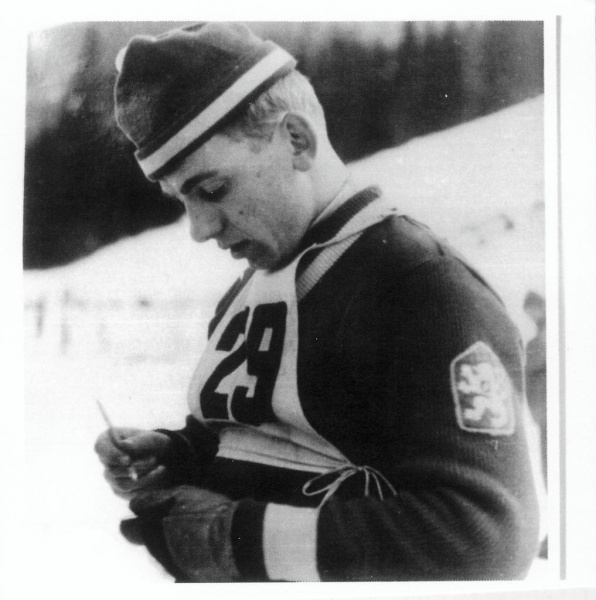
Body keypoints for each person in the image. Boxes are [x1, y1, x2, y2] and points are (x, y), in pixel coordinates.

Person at [95, 22, 543, 582]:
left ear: (297, 140)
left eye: (212, 190)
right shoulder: (252, 287)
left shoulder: (420, 287)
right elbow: (262, 438)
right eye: (182, 200)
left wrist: (238, 538)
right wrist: (177, 453)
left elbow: (488, 538)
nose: (200, 228)